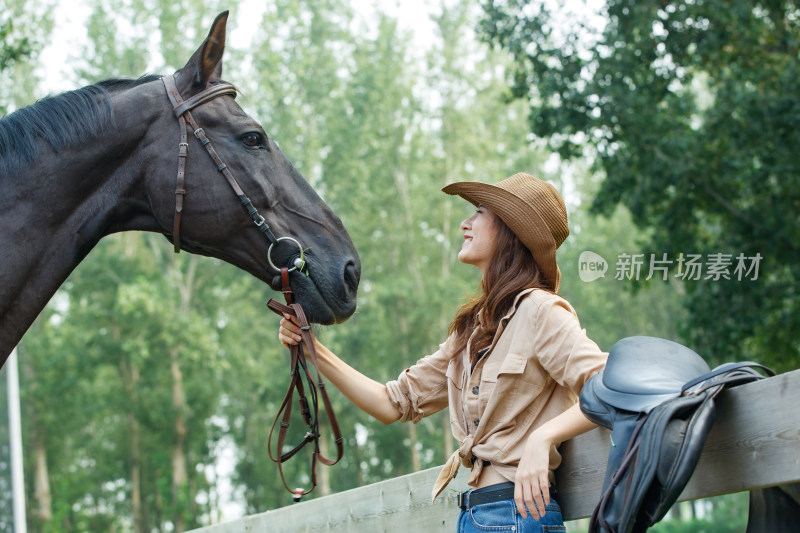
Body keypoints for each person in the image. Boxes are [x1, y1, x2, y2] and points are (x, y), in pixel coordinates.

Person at [279, 172, 607, 532]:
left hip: (515, 515)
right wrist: (311, 350)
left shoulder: (541, 310)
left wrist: (544, 437)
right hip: (476, 516)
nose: (465, 223)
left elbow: (607, 386)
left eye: (479, 212)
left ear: (512, 230)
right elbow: (394, 403)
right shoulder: (473, 331)